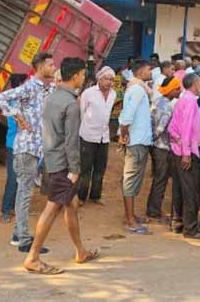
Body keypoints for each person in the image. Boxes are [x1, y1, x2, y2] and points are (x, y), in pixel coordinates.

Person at [22, 57, 99, 275]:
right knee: (52, 208)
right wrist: (75, 170)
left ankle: (80, 251)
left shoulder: (53, 97)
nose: (84, 79)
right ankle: (33, 257)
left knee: (71, 204)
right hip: (63, 165)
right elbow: (71, 140)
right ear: (75, 76)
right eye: (83, 75)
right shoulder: (71, 104)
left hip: (51, 159)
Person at [0, 53, 55, 252]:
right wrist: (17, 117)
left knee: (25, 192)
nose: (53, 67)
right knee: (24, 194)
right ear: (40, 67)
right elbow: (1, 97)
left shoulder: (47, 88)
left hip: (35, 149)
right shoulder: (30, 86)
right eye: (50, 64)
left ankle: (17, 234)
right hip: (25, 149)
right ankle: (23, 240)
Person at [167, 73, 200, 240]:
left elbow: (172, 128)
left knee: (179, 187)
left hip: (178, 150)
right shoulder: (191, 101)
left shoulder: (182, 99)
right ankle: (191, 228)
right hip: (186, 152)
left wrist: (179, 143)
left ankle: (177, 221)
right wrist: (186, 152)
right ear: (194, 84)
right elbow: (186, 129)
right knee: (190, 190)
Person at [118, 59, 154, 234]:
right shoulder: (138, 90)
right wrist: (124, 134)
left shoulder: (137, 88)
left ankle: (131, 215)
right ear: (140, 72)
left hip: (140, 140)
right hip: (136, 141)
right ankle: (130, 220)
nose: (151, 72)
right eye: (149, 69)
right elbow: (127, 116)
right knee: (130, 179)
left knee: (134, 179)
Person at [78, 66, 115, 206]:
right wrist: (86, 126)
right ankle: (81, 197)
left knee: (100, 167)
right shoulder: (88, 93)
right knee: (85, 168)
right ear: (99, 78)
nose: (109, 82)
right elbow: (82, 112)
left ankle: (95, 195)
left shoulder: (113, 94)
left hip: (104, 136)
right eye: (106, 78)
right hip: (88, 135)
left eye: (111, 79)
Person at [148, 76, 181, 221]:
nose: (180, 91)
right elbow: (160, 128)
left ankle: (153, 208)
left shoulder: (157, 101)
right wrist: (154, 138)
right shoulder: (168, 107)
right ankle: (154, 210)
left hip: (155, 146)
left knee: (158, 177)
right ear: (171, 90)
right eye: (177, 88)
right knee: (161, 179)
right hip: (162, 147)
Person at [0, 73, 28, 225]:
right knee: (13, 179)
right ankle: (5, 210)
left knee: (20, 178)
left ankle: (13, 208)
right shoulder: (13, 104)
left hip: (19, 144)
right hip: (15, 145)